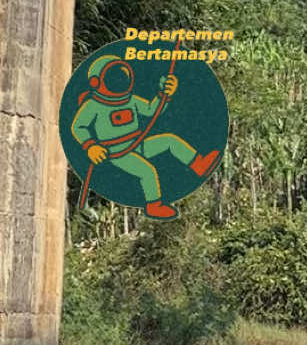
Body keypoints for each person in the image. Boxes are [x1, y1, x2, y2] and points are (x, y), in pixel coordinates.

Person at [70, 55, 220, 221]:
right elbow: (78, 126)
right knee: (147, 171)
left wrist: (164, 95)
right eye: (114, 76)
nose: (119, 80)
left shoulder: (130, 100)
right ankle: (154, 205)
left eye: (121, 75)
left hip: (138, 144)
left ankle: (198, 164)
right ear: (97, 82)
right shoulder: (94, 105)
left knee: (169, 140)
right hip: (119, 153)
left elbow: (151, 110)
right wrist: (91, 146)